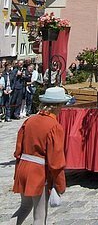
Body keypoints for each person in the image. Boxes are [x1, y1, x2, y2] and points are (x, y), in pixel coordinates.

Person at [12, 86, 71, 225]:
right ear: (57, 106)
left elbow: (18, 150)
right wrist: (60, 185)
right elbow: (56, 161)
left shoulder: (29, 120)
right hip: (38, 172)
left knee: (25, 206)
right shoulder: (54, 126)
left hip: (23, 168)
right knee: (39, 217)